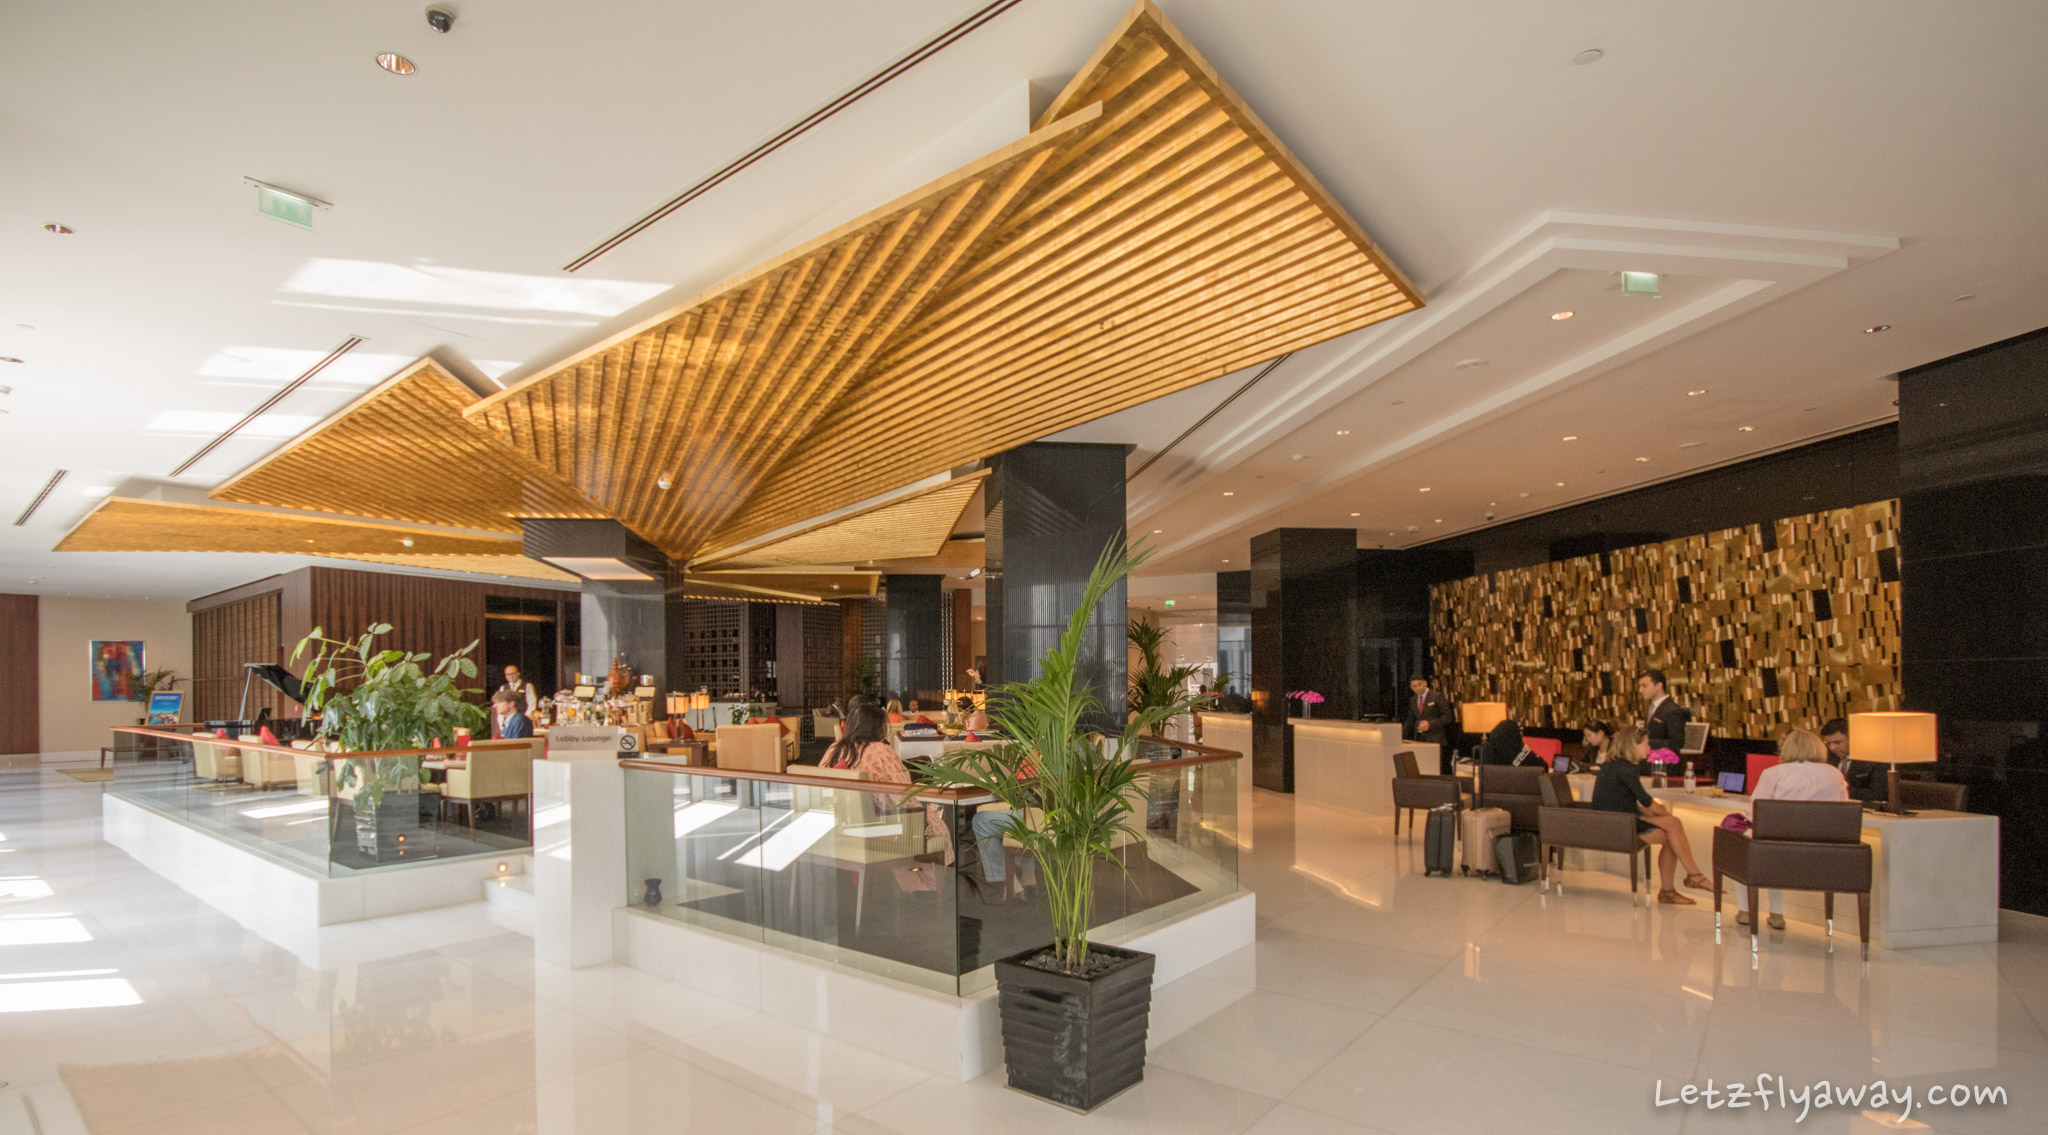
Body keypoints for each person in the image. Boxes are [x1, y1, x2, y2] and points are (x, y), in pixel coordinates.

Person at [1737, 728, 1849, 929]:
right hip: (1825, 853)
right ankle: (1775, 913)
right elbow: (1843, 812)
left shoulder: (1774, 773)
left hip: (1778, 848)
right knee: (1768, 845)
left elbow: (1755, 813)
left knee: (1743, 843)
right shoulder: (1835, 774)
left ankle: (1749, 911)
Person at [1590, 724, 1712, 904]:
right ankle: (1688, 880)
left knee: (1672, 829)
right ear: (1633, 745)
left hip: (1614, 821)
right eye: (1646, 744)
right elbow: (1646, 801)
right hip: (1619, 826)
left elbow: (1626, 800)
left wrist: (1654, 811)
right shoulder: (1627, 768)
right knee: (1672, 827)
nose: (1649, 748)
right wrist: (1661, 812)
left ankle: (1683, 883)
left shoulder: (1612, 765)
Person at [1820, 717, 1886, 803]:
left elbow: (1878, 794)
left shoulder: (1873, 760)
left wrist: (1839, 789)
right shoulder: (1825, 757)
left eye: (1837, 742)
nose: (1832, 748)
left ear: (1852, 738)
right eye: (1828, 743)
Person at [1638, 669, 1690, 754]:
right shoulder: (1652, 707)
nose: (1640, 690)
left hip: (1665, 759)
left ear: (1659, 686)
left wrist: (1645, 742)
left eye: (1644, 686)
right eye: (1640, 686)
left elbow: (1677, 742)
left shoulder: (1672, 710)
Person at [1402, 676, 1451, 744]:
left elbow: (1447, 717)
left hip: (1435, 739)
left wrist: (1430, 724)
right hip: (1419, 739)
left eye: (1420, 684)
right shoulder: (1413, 700)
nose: (1418, 688)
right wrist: (1400, 735)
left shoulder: (1437, 696)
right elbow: (1410, 720)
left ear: (1425, 683)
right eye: (1414, 686)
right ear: (1411, 688)